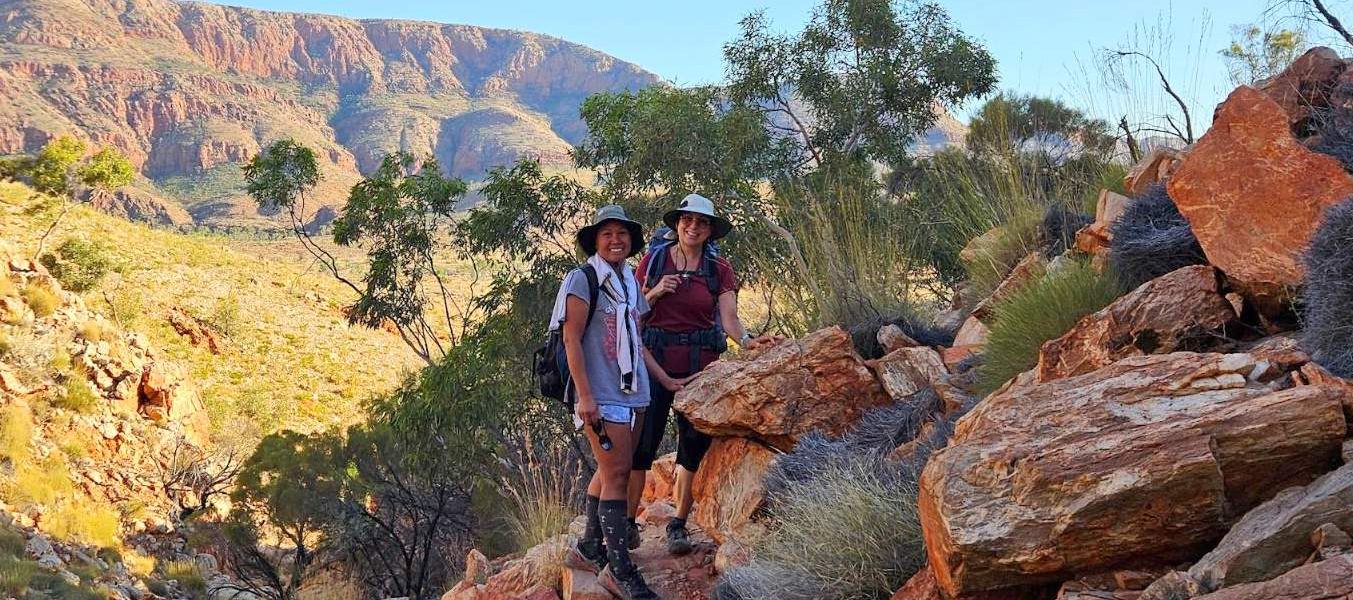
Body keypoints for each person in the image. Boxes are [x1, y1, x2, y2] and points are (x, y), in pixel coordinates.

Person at [628, 193, 780, 556]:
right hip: (655, 363)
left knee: (693, 444)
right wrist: (657, 291)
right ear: (677, 224)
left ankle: (678, 524)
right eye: (687, 220)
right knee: (642, 446)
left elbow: (729, 319)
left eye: (701, 222)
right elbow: (631, 314)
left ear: (710, 230)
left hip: (701, 367)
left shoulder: (719, 269)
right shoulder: (654, 261)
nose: (693, 227)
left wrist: (748, 341)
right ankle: (628, 525)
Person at [553, 205, 679, 600]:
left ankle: (590, 549)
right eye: (607, 233)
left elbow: (636, 339)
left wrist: (663, 379)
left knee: (611, 470)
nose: (615, 240)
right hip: (601, 393)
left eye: (621, 233)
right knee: (619, 474)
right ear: (595, 240)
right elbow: (571, 339)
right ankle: (618, 570)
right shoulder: (582, 279)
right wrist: (585, 396)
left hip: (632, 391)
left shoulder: (628, 279)